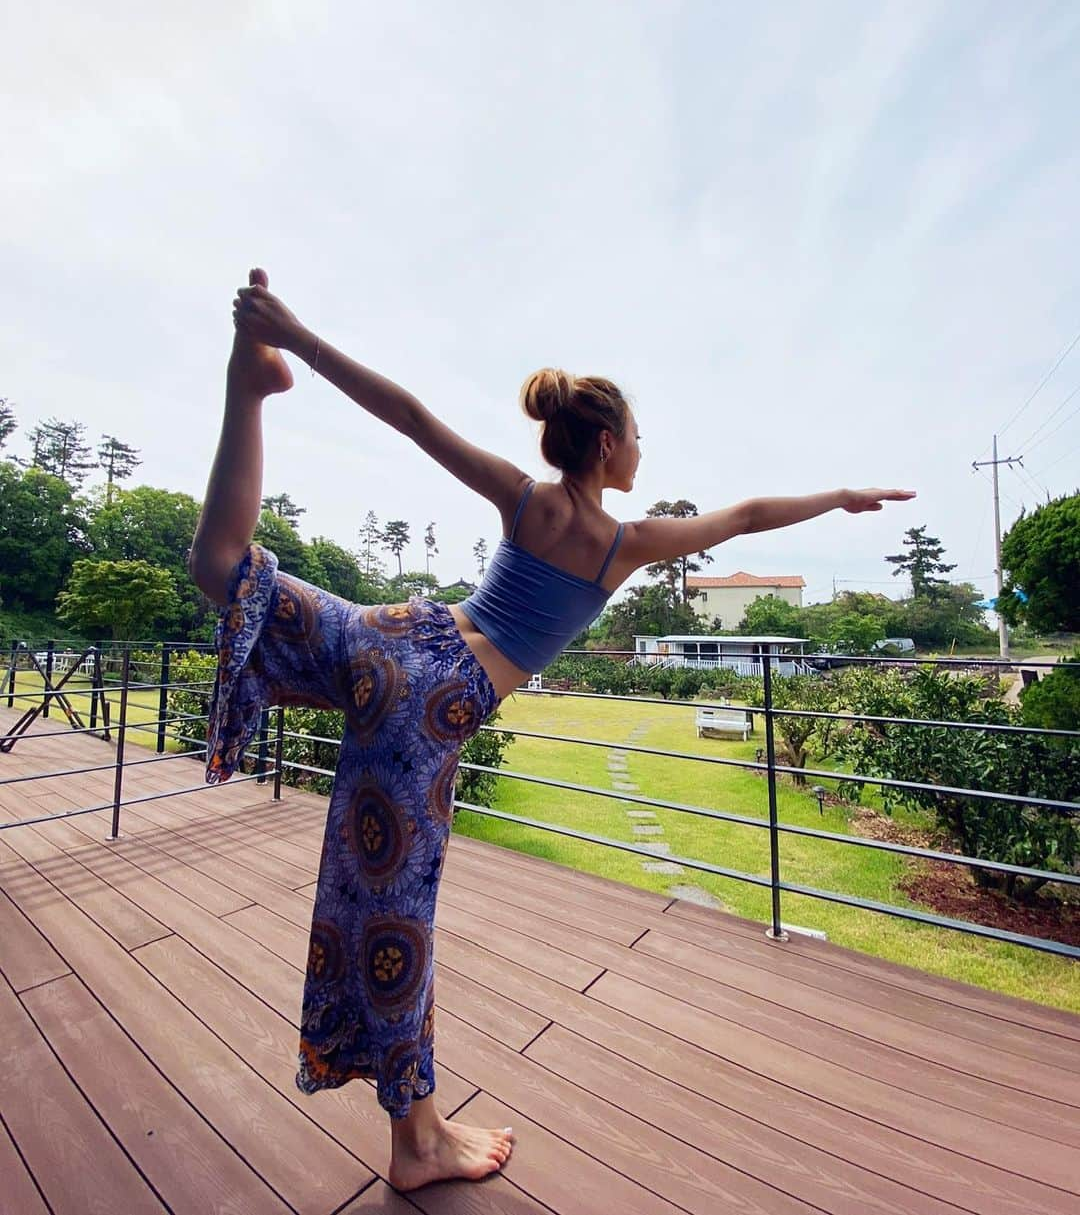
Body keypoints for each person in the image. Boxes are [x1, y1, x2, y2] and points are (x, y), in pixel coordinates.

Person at [188, 268, 915, 1192]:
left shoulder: (528, 500)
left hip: (397, 637)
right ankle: (417, 1144)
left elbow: (409, 417)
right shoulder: (624, 546)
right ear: (609, 445)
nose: (644, 452)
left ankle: (247, 386)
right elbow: (748, 517)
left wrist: (293, 336)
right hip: (433, 702)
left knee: (222, 566)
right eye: (639, 438)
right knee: (396, 922)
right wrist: (841, 494)